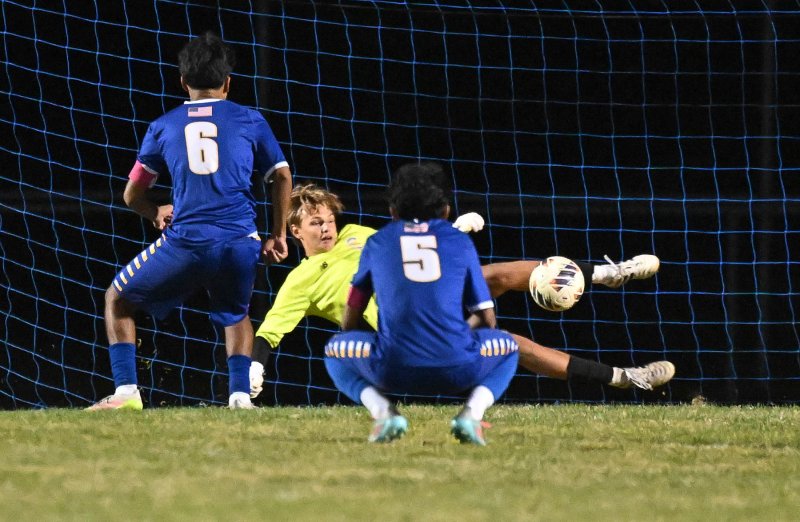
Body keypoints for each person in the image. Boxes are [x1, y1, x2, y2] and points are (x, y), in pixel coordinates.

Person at [249, 183, 673, 400]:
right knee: (511, 344)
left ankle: (606, 273)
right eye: (315, 223)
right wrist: (253, 371)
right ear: (294, 230)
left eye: (328, 219)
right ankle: (625, 378)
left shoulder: (358, 235)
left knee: (494, 274)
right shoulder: (299, 281)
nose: (326, 227)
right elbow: (269, 333)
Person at [87, 32, 292, 411]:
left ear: (183, 82)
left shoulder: (163, 126)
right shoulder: (250, 119)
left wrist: (155, 211)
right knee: (236, 314)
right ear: (227, 83)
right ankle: (238, 398)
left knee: (116, 298)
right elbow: (281, 175)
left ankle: (127, 393)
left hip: (186, 242)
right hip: (238, 240)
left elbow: (131, 195)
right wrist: (278, 235)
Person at [324, 162, 520, 445]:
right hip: (457, 368)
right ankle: (471, 415)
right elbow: (488, 317)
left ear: (392, 211)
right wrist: (454, 336)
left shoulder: (377, 242)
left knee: (334, 351)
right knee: (508, 347)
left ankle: (384, 413)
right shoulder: (459, 241)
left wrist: (359, 339)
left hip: (392, 368)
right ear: (446, 210)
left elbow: (353, 308)